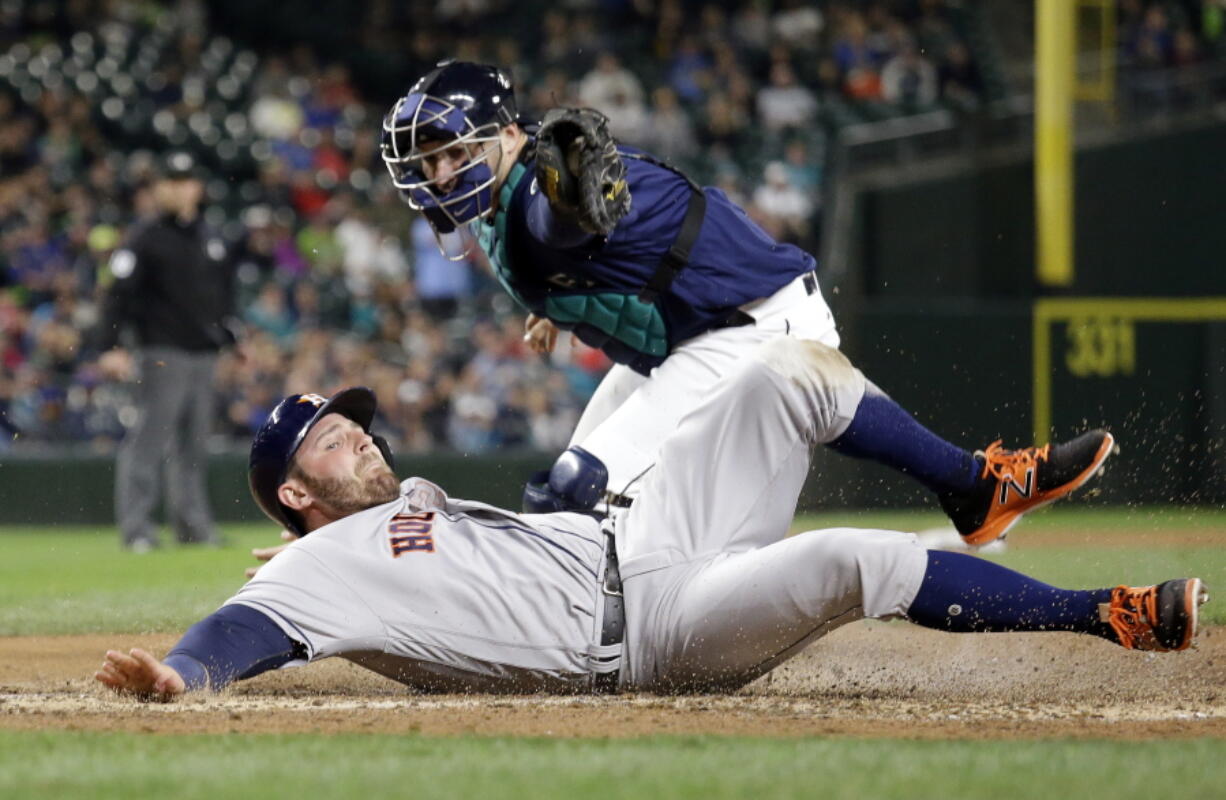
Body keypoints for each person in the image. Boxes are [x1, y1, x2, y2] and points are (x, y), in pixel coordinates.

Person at [95, 337, 1206, 701]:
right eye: (335, 441)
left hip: (642, 536)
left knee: (785, 373)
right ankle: (1113, 612)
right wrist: (182, 679)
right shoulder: (316, 569)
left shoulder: (398, 507)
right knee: (857, 558)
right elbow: (237, 630)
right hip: (653, 633)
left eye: (356, 425)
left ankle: (976, 484)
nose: (364, 438)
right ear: (295, 491)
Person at [377, 61, 1113, 549]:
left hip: (746, 321)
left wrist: (571, 224)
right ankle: (974, 487)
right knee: (578, 496)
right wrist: (557, 300)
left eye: (453, 152)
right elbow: (555, 242)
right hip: (693, 334)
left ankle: (976, 485)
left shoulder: (546, 195)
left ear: (508, 132)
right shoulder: (508, 201)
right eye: (429, 163)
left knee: (578, 490)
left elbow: (562, 215)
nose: (442, 174)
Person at [93, 151, 237, 551]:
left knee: (193, 447)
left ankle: (192, 527)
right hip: (160, 351)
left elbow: (222, 297)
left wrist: (231, 336)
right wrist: (111, 345)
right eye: (169, 181)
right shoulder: (145, 236)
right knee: (149, 441)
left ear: (196, 187)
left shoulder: (210, 236)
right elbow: (117, 294)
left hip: (202, 353)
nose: (176, 188)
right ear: (159, 188)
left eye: (184, 180)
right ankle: (137, 529)